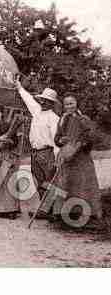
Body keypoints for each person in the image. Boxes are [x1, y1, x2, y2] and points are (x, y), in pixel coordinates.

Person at [52, 95, 102, 229]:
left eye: (71, 104)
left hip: (81, 159)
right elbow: (57, 138)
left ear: (76, 104)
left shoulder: (83, 119)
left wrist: (79, 145)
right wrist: (60, 141)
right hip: (67, 158)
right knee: (65, 185)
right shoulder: (63, 120)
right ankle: (66, 214)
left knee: (82, 185)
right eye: (66, 104)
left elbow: (91, 138)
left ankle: (87, 215)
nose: (69, 106)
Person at [15, 80, 60, 219]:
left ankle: (52, 210)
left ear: (52, 103)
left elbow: (56, 140)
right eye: (43, 100)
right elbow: (28, 99)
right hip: (35, 152)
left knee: (50, 180)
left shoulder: (54, 118)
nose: (44, 102)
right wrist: (19, 87)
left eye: (47, 101)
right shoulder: (37, 111)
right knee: (39, 181)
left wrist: (57, 158)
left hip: (47, 152)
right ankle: (44, 209)